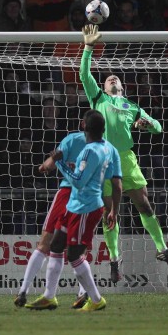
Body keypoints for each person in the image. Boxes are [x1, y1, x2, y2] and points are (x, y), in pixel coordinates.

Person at [80, 24, 168, 276]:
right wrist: (88, 48)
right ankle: (114, 259)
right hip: (103, 159)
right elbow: (83, 74)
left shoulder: (132, 106)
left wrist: (147, 125)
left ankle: (162, 247)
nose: (112, 77)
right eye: (108, 78)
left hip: (126, 159)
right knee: (109, 212)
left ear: (122, 86)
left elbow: (158, 127)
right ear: (103, 86)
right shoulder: (98, 99)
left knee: (144, 205)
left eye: (116, 78)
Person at [26, 110, 121, 312]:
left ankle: (95, 299)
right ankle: (49, 296)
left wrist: (58, 160)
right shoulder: (110, 149)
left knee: (75, 255)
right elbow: (117, 184)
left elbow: (78, 181)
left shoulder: (88, 151)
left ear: (84, 126)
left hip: (85, 207)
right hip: (75, 206)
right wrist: (114, 209)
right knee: (57, 245)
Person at [13, 113, 88, 308]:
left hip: (67, 194)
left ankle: (24, 291)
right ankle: (84, 292)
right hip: (90, 197)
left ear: (83, 124)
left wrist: (43, 167)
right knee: (79, 247)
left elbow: (49, 164)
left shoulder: (72, 139)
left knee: (45, 244)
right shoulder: (107, 146)